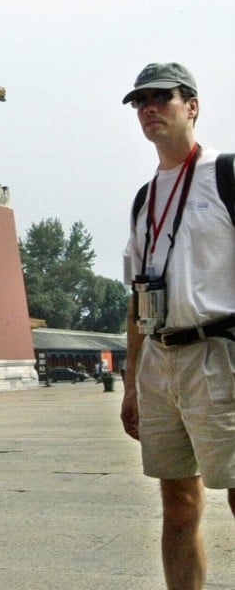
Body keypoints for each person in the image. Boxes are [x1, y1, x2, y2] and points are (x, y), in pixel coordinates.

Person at [120, 62, 235, 590]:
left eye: (159, 98)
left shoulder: (225, 175)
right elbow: (137, 294)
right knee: (178, 504)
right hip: (160, 361)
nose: (148, 109)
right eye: (139, 102)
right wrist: (130, 383)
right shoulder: (145, 199)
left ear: (191, 105)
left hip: (220, 352)